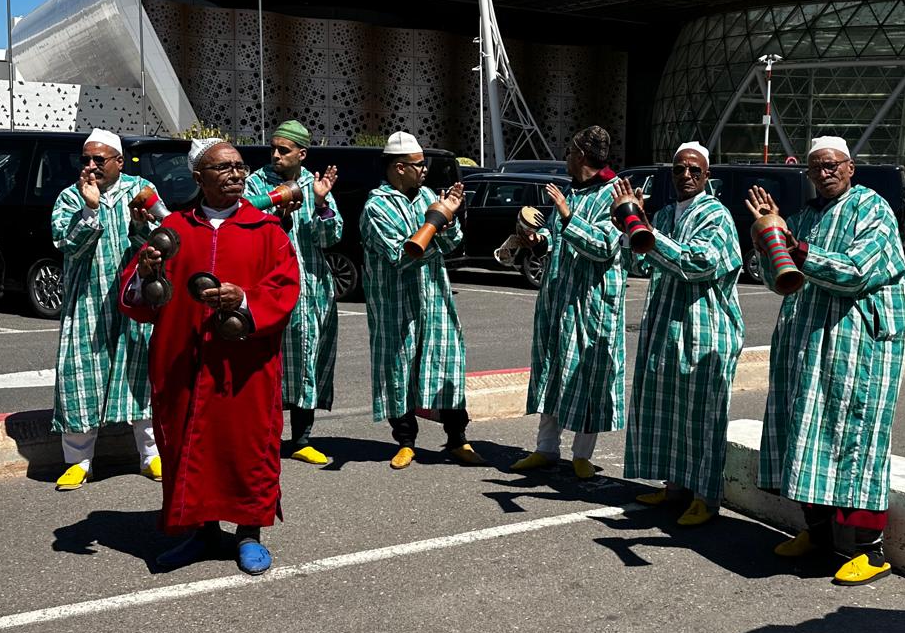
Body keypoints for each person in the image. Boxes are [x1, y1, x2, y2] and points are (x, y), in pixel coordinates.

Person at [120, 139, 300, 576]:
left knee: (247, 447)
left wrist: (244, 298)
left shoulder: (267, 230)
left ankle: (249, 533)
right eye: (223, 168)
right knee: (188, 445)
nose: (236, 174)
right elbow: (139, 297)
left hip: (244, 368)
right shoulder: (174, 230)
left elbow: (286, 289)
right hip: (184, 361)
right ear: (198, 177)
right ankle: (200, 531)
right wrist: (146, 274)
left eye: (240, 166)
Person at [745, 135, 905, 585]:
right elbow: (775, 279)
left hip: (856, 348)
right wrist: (767, 237)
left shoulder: (872, 209)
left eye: (833, 164)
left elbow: (856, 271)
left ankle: (871, 553)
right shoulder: (804, 217)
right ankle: (817, 535)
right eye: (816, 166)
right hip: (805, 345)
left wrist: (791, 245)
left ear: (851, 167)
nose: (825, 172)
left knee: (854, 440)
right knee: (805, 437)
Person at [617, 142, 744, 527]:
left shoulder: (717, 215)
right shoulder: (668, 214)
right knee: (670, 408)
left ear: (707, 175)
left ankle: (705, 497)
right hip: (668, 325)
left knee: (703, 415)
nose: (686, 177)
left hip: (706, 329)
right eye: (679, 170)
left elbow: (699, 263)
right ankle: (675, 486)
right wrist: (631, 225)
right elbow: (640, 263)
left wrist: (651, 237)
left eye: (694, 171)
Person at [359, 131, 482, 470]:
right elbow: (402, 255)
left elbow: (450, 244)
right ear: (399, 168)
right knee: (399, 370)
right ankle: (405, 442)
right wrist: (435, 222)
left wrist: (449, 218)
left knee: (448, 367)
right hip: (395, 304)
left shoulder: (428, 194)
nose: (425, 170)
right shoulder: (376, 207)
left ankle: (458, 439)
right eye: (419, 164)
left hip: (435, 299)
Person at [511, 126, 626, 480]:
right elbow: (557, 238)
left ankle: (582, 454)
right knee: (552, 371)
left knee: (587, 375)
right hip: (558, 299)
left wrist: (566, 215)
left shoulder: (613, 195)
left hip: (591, 304)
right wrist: (537, 239)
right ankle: (546, 449)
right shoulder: (571, 192)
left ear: (580, 154)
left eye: (569, 150)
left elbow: (604, 246)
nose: (565, 157)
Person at [49, 128, 161, 490]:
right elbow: (68, 245)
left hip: (135, 297)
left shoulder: (140, 190)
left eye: (100, 159)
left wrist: (141, 225)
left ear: (119, 161)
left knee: (140, 371)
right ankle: (79, 462)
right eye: (86, 160)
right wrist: (91, 208)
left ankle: (151, 455)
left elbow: (163, 238)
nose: (92, 166)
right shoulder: (70, 197)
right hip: (87, 301)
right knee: (81, 375)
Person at [245, 121, 342, 467]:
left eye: (284, 150)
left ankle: (302, 438)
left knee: (307, 362)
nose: (275, 155)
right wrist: (276, 213)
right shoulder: (255, 183)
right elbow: (241, 221)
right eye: (273, 148)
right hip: (268, 290)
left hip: (312, 289)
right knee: (266, 365)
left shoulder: (314, 183)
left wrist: (320, 202)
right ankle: (265, 438)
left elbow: (330, 237)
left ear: (302, 154)